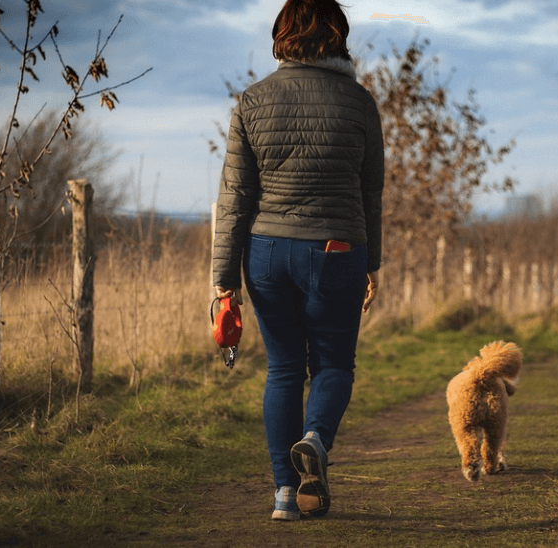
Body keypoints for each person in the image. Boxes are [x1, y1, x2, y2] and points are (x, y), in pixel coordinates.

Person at [211, 0, 384, 521]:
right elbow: (369, 190)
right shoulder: (359, 103)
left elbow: (236, 195)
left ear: (282, 35)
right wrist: (371, 260)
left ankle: (286, 494)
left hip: (265, 253)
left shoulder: (253, 100)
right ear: (338, 36)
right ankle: (315, 439)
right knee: (333, 364)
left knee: (283, 369)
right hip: (335, 250)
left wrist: (223, 280)